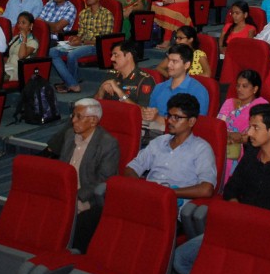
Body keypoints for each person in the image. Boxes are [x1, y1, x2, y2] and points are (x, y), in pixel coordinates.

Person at [172, 104, 270, 274]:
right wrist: (237, 209)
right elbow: (231, 187)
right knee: (181, 258)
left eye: (255, 128)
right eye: (249, 127)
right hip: (239, 223)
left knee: (238, 268)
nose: (249, 132)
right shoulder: (252, 155)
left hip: (266, 232)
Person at [125, 92, 217, 209]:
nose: (170, 121)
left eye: (177, 117)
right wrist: (141, 189)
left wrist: (167, 193)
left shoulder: (201, 149)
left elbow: (206, 189)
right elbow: (131, 169)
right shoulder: (159, 142)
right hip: (147, 198)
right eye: (169, 116)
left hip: (173, 205)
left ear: (191, 121)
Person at [60, 99, 120, 253]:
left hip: (88, 197)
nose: (73, 120)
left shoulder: (108, 144)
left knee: (77, 222)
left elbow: (103, 180)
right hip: (66, 192)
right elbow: (62, 167)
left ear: (93, 120)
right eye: (73, 115)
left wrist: (76, 197)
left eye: (78, 116)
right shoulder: (70, 135)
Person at [51, 0, 112, 94]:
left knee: (72, 55)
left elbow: (103, 40)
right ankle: (72, 83)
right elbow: (81, 34)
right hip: (82, 44)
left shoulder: (107, 14)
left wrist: (82, 41)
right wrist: (75, 38)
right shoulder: (83, 13)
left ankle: (70, 84)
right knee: (52, 51)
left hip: (95, 46)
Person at [142, 44, 210, 133]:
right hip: (153, 130)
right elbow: (151, 113)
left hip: (180, 136)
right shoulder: (159, 87)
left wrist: (158, 118)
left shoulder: (198, 91)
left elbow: (196, 125)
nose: (169, 65)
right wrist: (148, 114)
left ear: (186, 65)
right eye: (169, 60)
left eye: (174, 61)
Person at [216, 70, 269, 178]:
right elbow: (218, 128)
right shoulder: (229, 103)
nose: (239, 89)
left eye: (244, 86)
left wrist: (238, 138)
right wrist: (229, 135)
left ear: (255, 89)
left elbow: (257, 136)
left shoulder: (261, 106)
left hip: (246, 150)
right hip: (222, 144)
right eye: (238, 85)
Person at [94, 40, 155, 106]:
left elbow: (142, 110)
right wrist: (101, 89)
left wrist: (119, 91)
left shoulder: (144, 80)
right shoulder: (111, 75)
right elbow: (94, 105)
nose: (112, 59)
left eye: (116, 55)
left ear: (128, 56)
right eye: (112, 55)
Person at [2, 11, 38, 84]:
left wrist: (24, 40)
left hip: (17, 70)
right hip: (8, 66)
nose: (20, 25)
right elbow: (7, 54)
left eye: (23, 23)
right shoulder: (16, 37)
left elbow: (21, 56)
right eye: (18, 23)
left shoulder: (33, 42)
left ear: (31, 25)